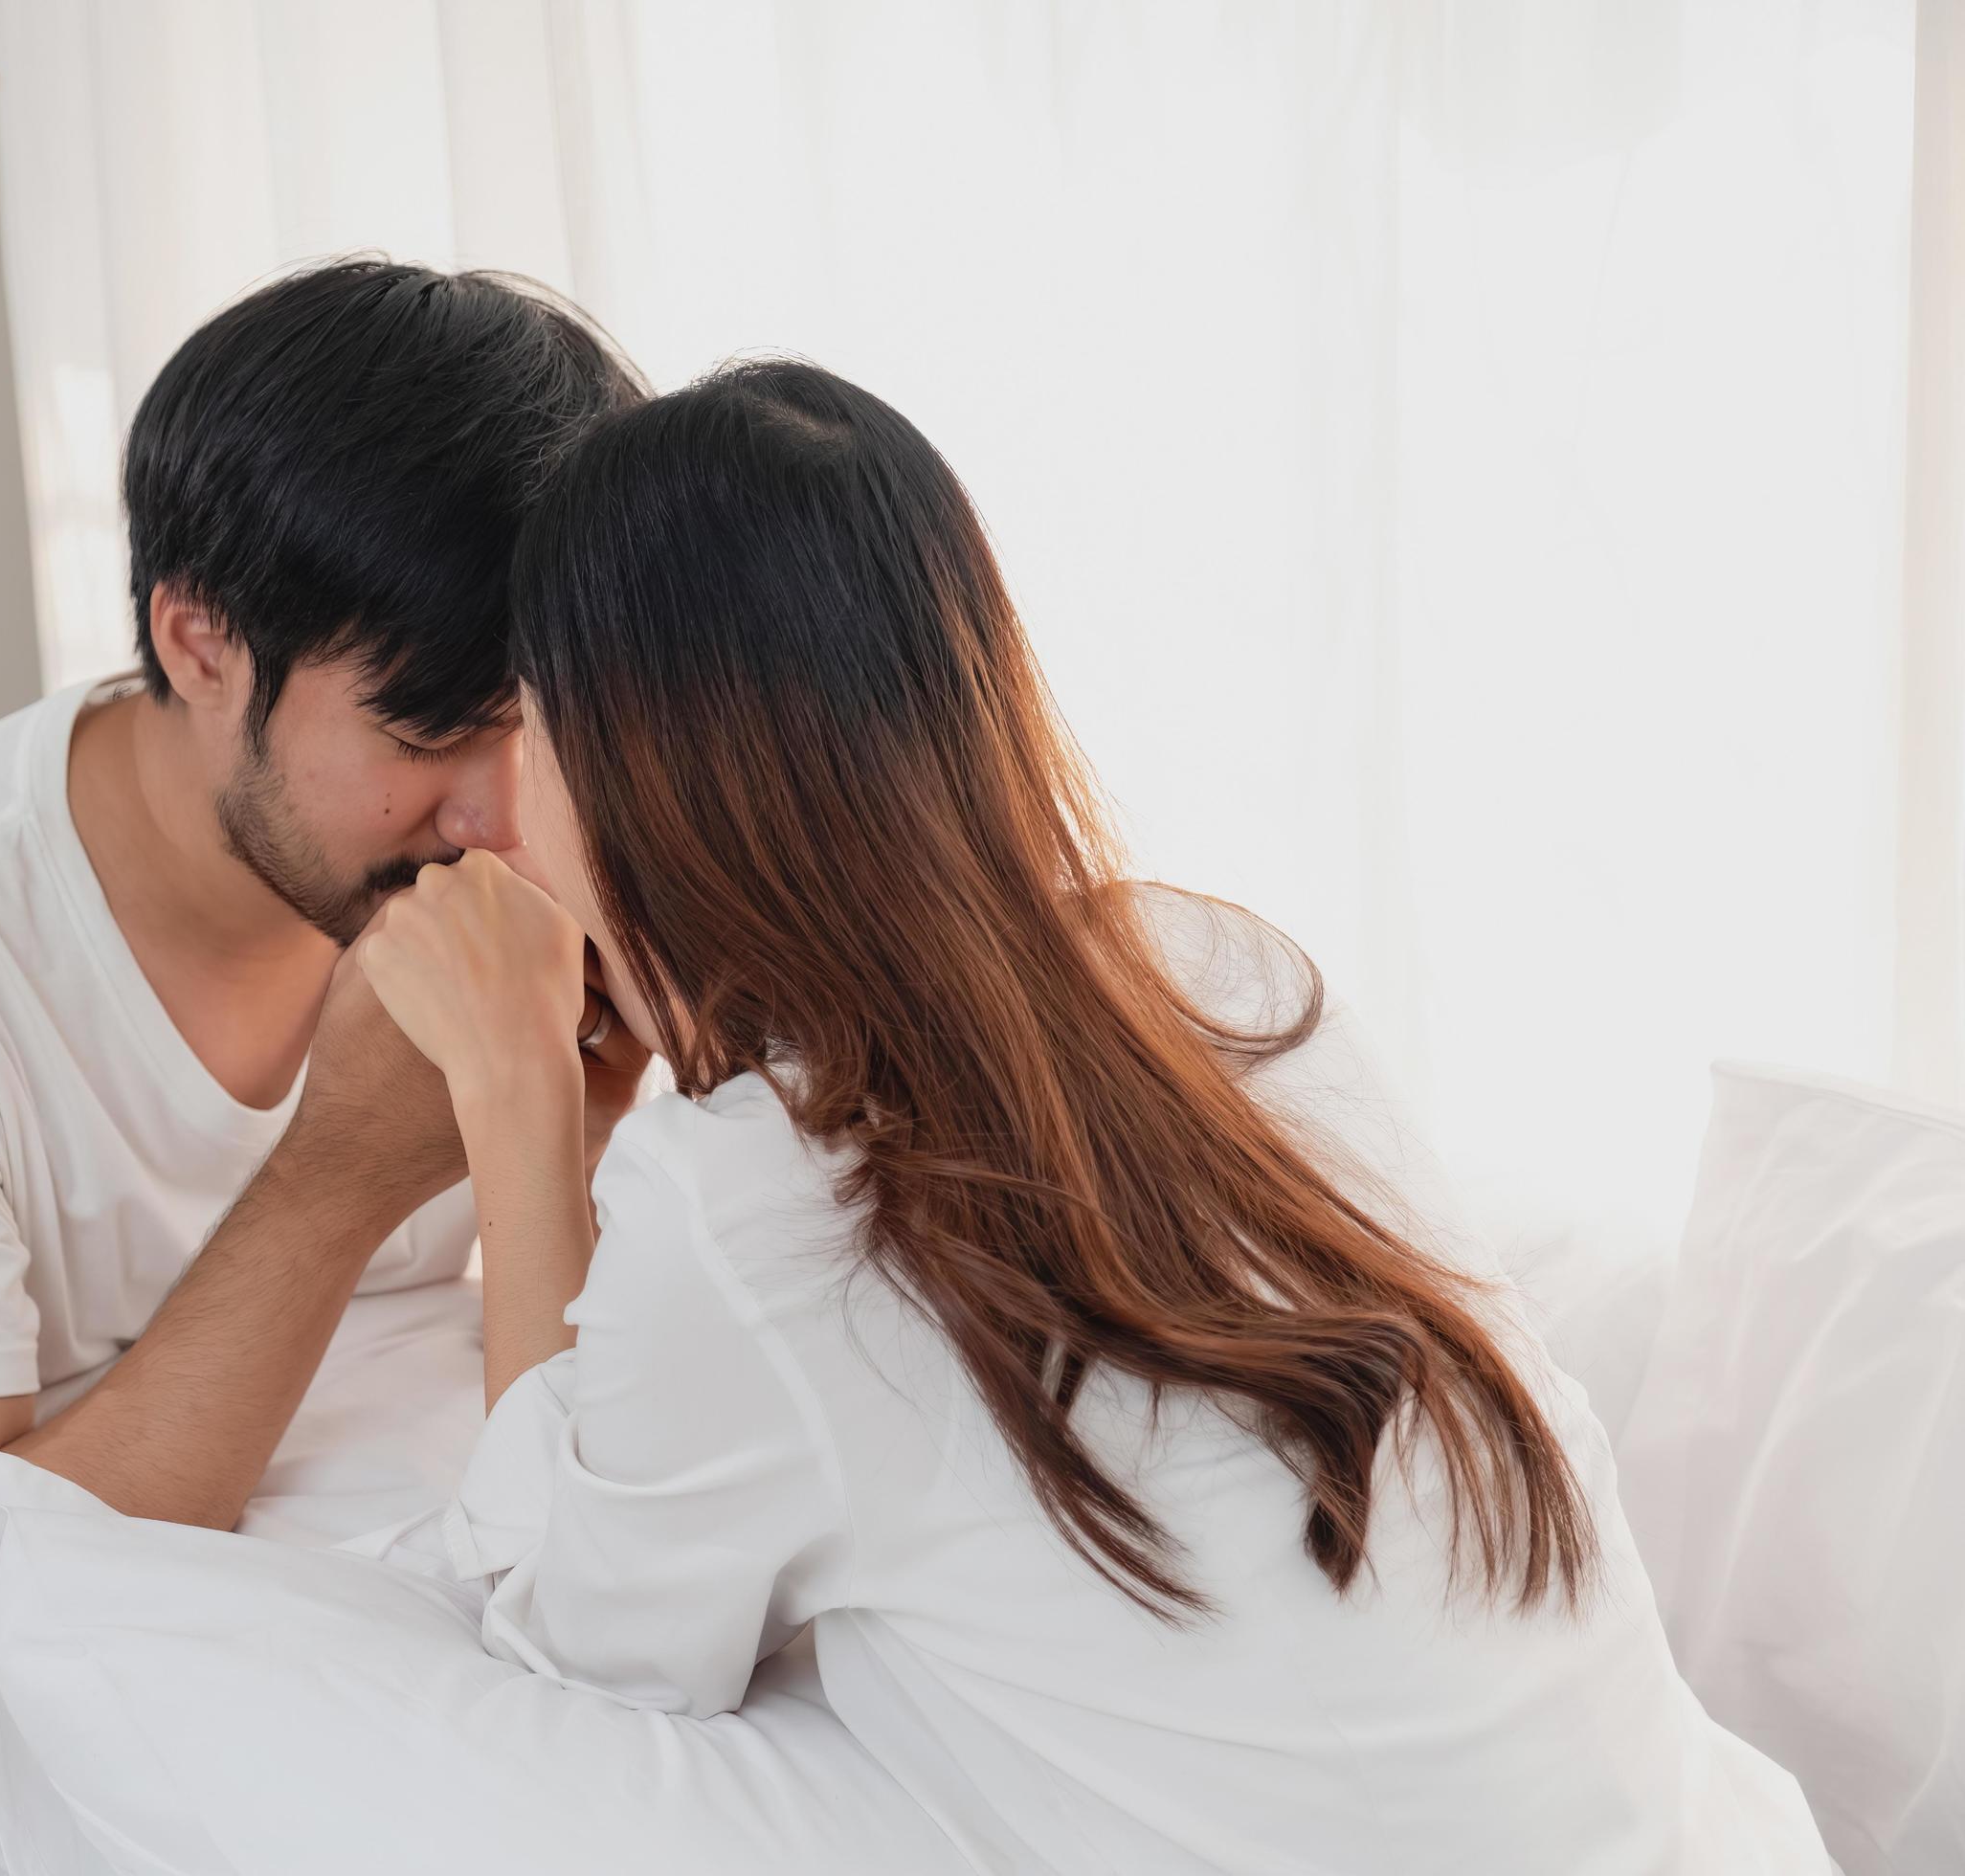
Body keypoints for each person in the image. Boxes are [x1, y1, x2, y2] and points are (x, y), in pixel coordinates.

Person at [353, 360, 1832, 1870]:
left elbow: (580, 1628)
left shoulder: (762, 1209)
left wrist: (519, 1100)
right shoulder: (1226, 977)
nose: (503, 804)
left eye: (529, 725)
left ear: (637, 763)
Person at [0, 258, 650, 1699]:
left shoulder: (522, 843)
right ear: (199, 643)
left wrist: (587, 1142)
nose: (500, 813)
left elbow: (617, 1455)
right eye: (429, 731)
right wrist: (341, 1175)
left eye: (539, 726)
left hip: (383, 1593)